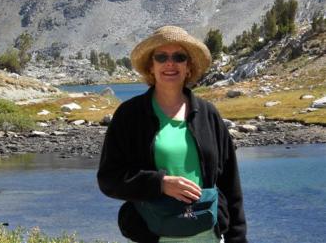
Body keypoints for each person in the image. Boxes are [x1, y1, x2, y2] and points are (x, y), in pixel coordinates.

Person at [97, 26, 247, 243]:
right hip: (154, 236)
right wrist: (160, 184)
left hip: (208, 236)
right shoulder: (130, 115)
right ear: (151, 66)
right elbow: (109, 179)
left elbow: (231, 186)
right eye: (161, 57)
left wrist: (238, 239)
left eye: (179, 57)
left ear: (189, 67)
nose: (170, 63)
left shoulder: (208, 114)